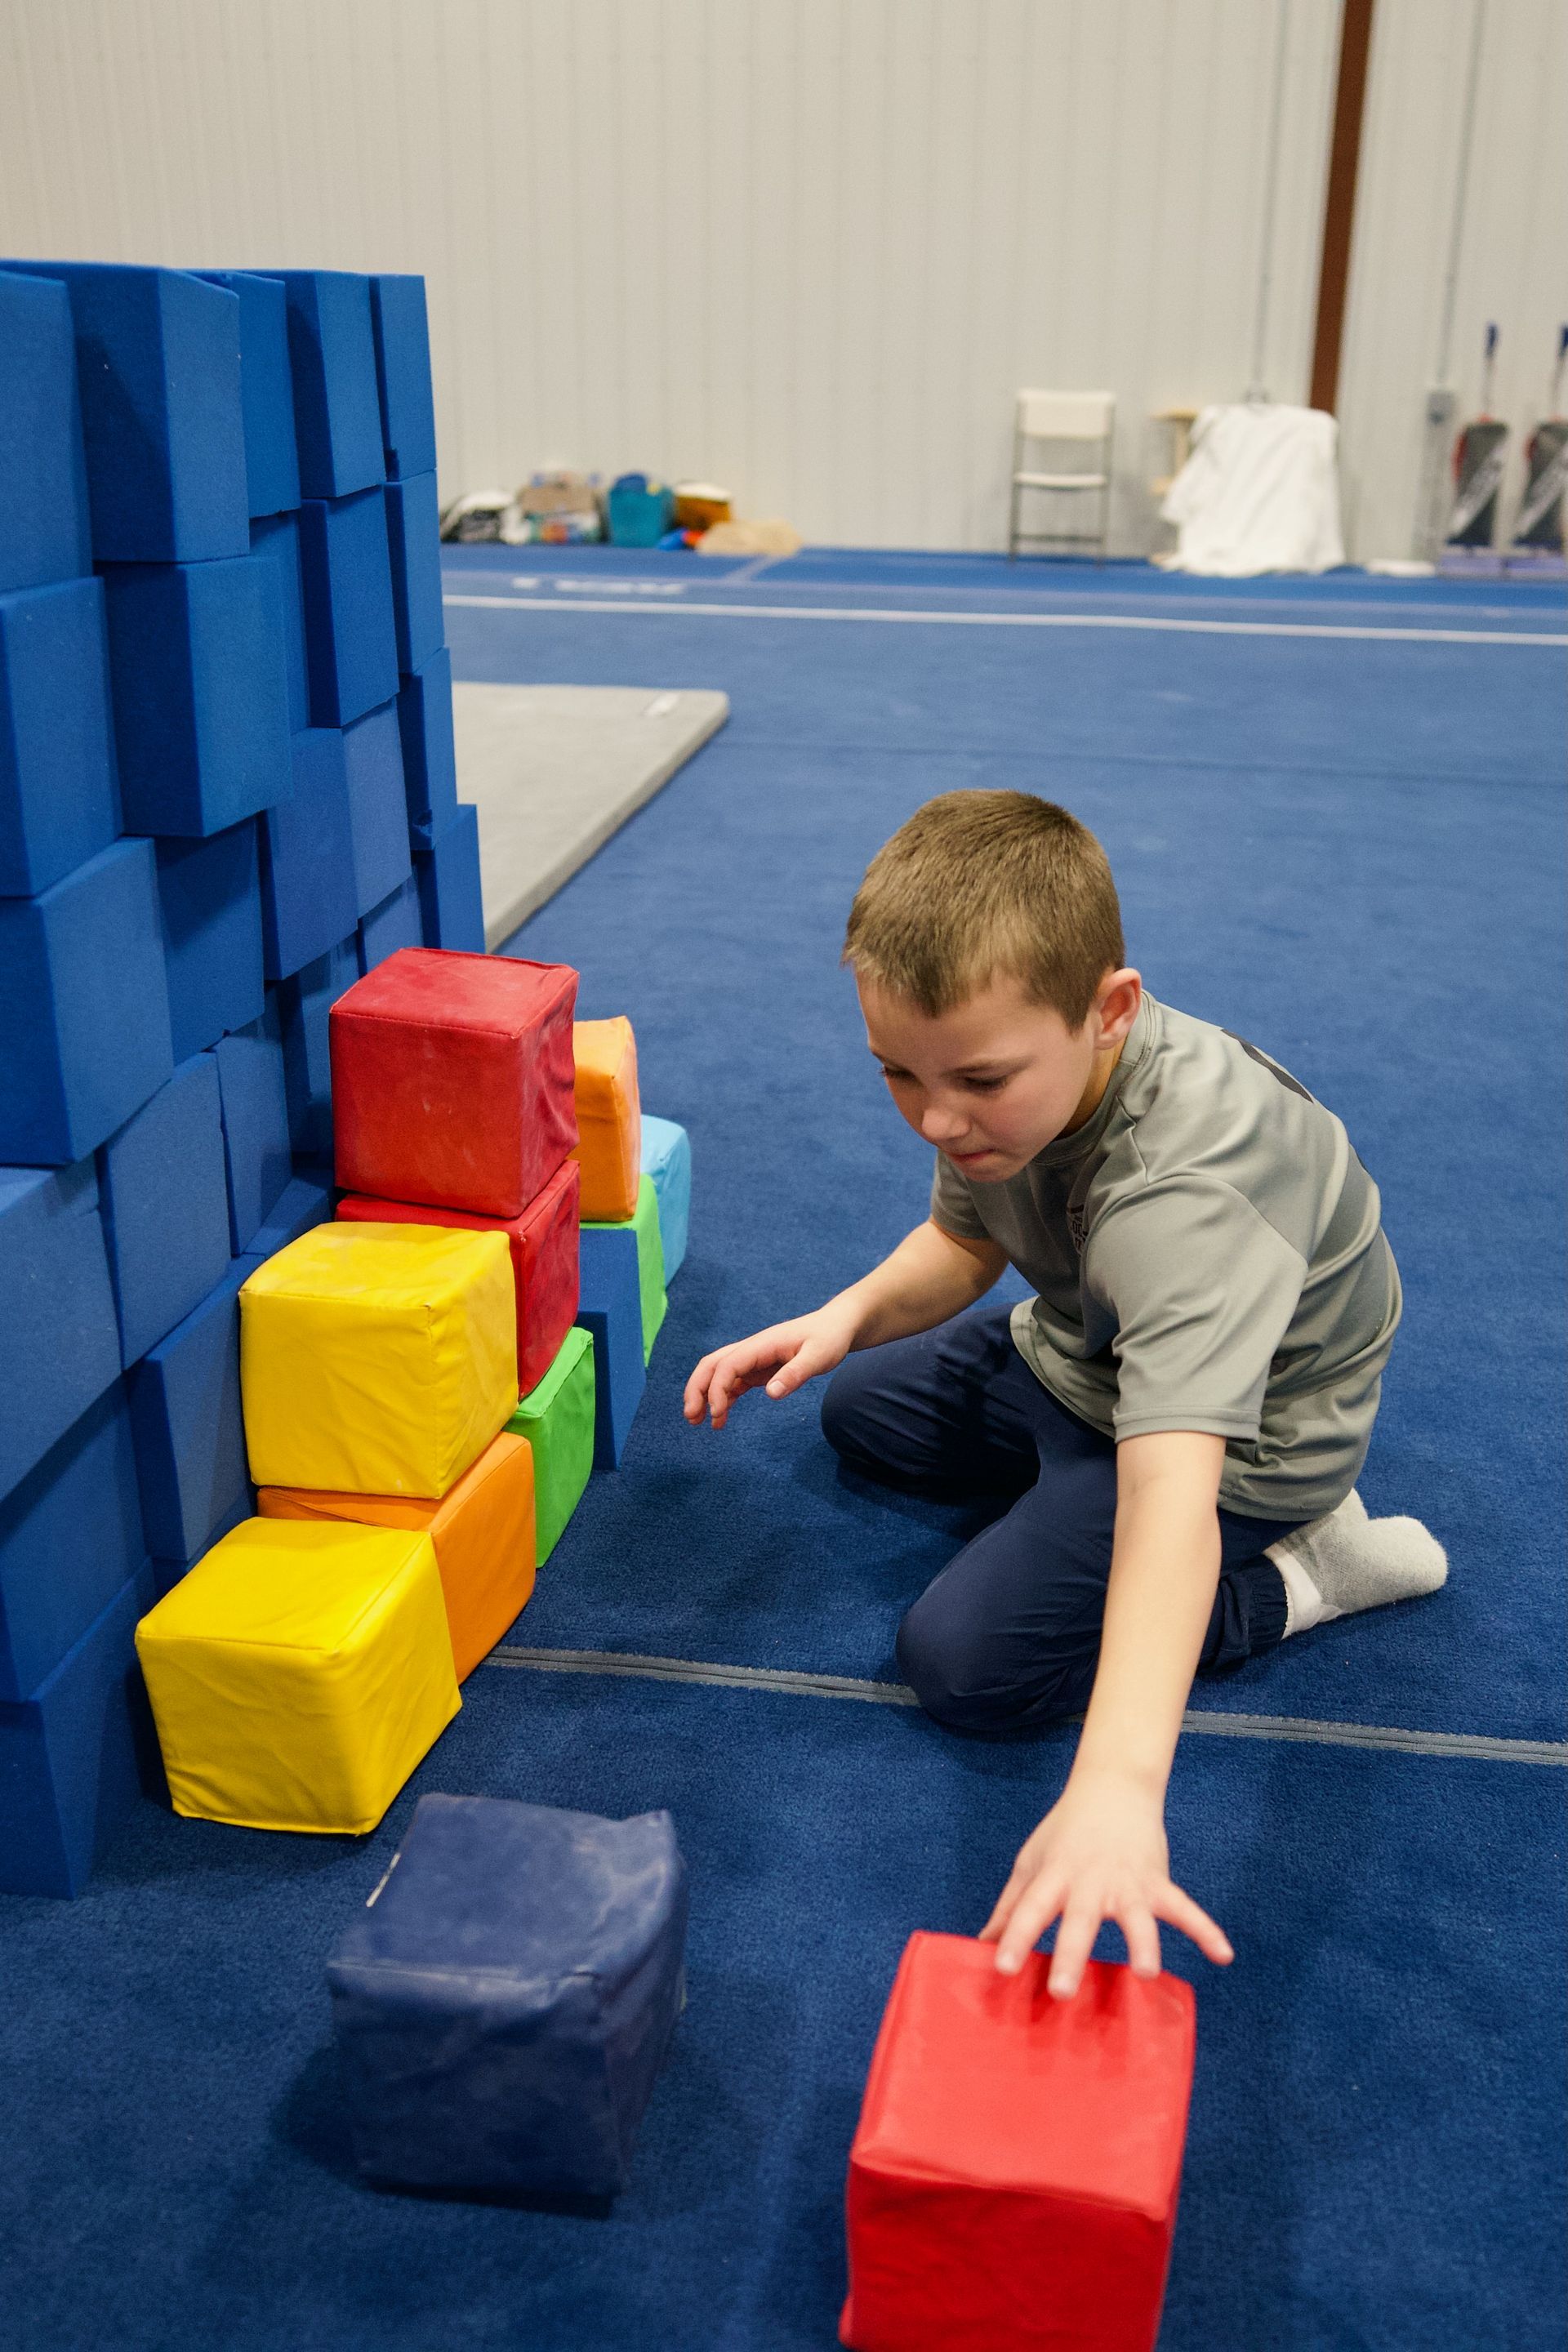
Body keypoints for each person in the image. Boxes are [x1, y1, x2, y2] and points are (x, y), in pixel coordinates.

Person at [684, 792, 1446, 1999]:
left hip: (1242, 1448)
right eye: (897, 1075)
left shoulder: (1185, 1198)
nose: (938, 1118)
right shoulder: (996, 1078)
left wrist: (1116, 1791)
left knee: (967, 1667)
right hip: (1086, 1355)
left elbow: (1165, 1500)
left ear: (1111, 1013)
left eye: (976, 1081)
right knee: (854, 1410)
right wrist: (843, 1317)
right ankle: (1051, 1496)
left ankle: (1311, 1574)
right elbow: (964, 1245)